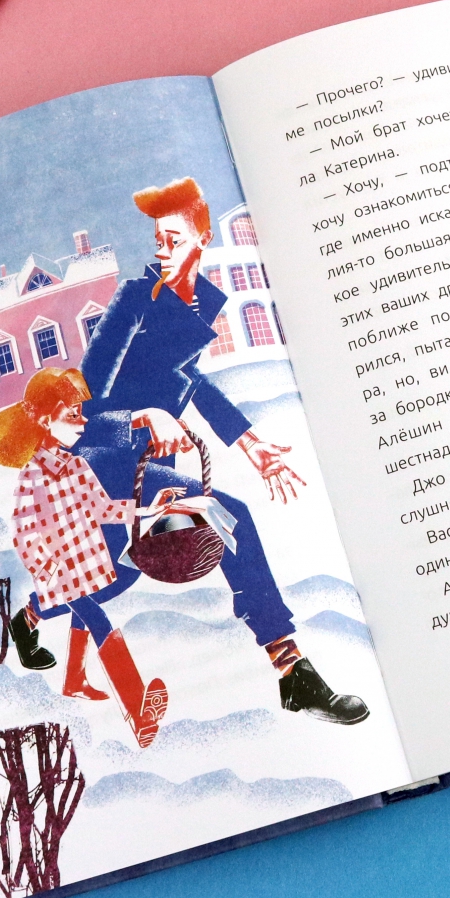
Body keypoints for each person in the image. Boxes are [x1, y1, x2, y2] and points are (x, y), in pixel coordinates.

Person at [74, 177, 368, 725]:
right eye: (159, 240)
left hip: (149, 464)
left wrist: (251, 443)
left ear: (202, 239)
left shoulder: (198, 304)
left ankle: (291, 670)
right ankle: (291, 669)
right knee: (224, 518)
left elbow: (193, 382)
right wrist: (144, 415)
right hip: (104, 458)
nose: (163, 251)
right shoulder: (135, 299)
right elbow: (82, 405)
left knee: (115, 574)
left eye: (175, 240)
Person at [0, 367, 186, 748]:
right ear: (45, 421)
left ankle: (73, 678)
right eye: (72, 415)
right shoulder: (32, 477)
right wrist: (48, 569)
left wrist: (148, 509)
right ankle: (137, 711)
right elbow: (23, 531)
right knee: (98, 619)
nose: (82, 422)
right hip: (62, 573)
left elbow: (104, 508)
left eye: (81, 413)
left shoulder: (78, 466)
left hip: (89, 563)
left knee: (93, 606)